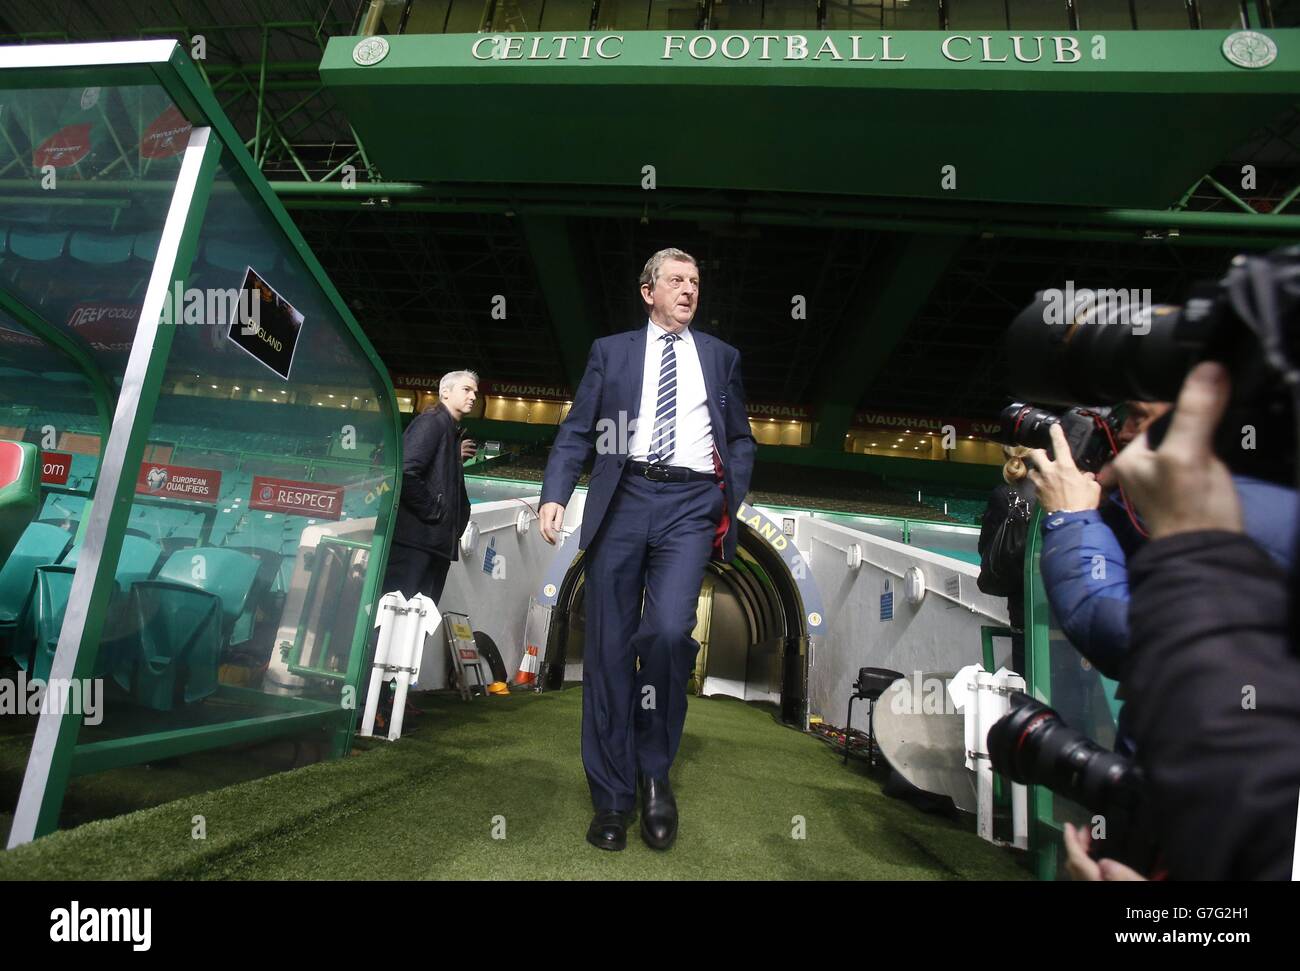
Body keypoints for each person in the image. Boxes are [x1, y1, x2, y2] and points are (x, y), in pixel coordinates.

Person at [538, 248, 756, 852]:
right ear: (648, 292)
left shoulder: (721, 358)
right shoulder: (611, 352)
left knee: (664, 634)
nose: (689, 290)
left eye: (695, 281)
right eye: (677, 280)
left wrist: (726, 500)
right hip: (624, 497)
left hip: (690, 507)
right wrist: (555, 493)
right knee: (608, 650)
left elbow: (740, 438)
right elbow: (578, 428)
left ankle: (654, 774)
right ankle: (611, 798)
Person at [1113, 362, 1300, 880]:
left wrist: (1071, 520)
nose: (1126, 435)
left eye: (1138, 417)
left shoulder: (1253, 515)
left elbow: (1117, 631)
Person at [366, 370, 477, 728]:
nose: (473, 396)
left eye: (475, 391)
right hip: (415, 544)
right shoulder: (432, 424)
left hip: (432, 547)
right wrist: (437, 512)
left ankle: (393, 699)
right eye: (466, 389)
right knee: (392, 624)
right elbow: (405, 474)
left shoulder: (447, 432)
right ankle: (369, 705)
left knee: (413, 628)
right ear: (446, 392)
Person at [976, 445, 1037, 673]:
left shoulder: (1005, 495)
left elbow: (987, 551)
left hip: (1024, 613)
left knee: (1029, 692)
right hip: (1063, 613)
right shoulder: (1062, 490)